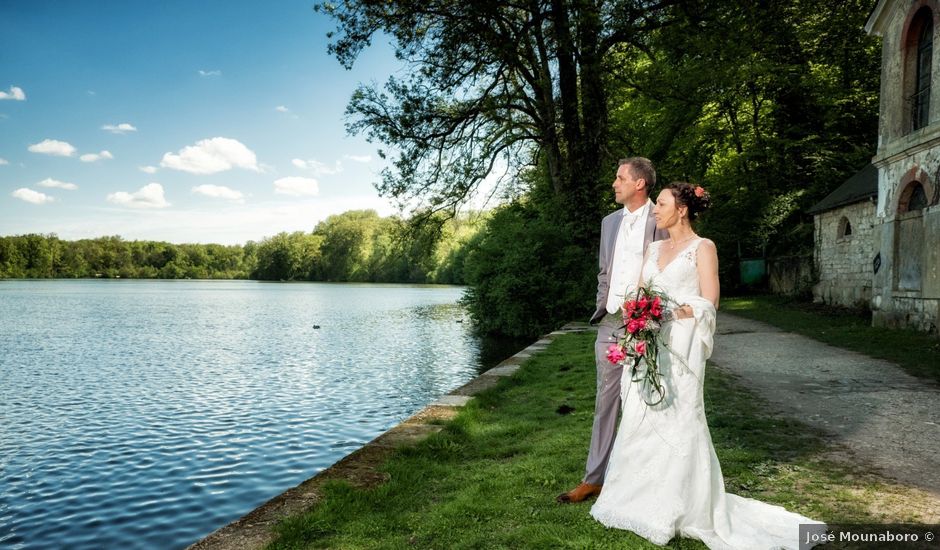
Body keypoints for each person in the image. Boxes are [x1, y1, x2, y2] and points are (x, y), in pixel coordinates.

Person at [589, 182, 826, 548]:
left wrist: (668, 311)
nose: (655, 210)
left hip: (680, 347)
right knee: (639, 415)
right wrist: (637, 313)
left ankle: (680, 504)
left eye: (662, 204)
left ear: (681, 209)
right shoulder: (653, 248)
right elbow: (638, 292)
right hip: (648, 344)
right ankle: (633, 496)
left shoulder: (704, 248)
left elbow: (709, 301)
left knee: (679, 416)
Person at [557, 157, 667, 504]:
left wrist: (653, 315)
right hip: (610, 320)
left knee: (645, 401)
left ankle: (645, 479)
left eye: (620, 178)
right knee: (605, 401)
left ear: (639, 184)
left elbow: (669, 268)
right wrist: (603, 303)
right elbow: (605, 271)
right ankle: (594, 479)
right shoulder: (608, 222)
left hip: (646, 323)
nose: (614, 184)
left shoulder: (662, 218)